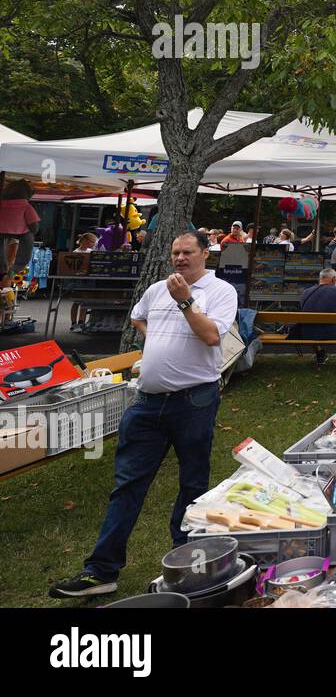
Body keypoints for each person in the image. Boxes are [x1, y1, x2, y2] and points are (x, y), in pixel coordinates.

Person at [50, 232, 238, 599]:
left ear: (205, 255)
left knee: (193, 483)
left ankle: (186, 560)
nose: (180, 258)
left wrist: (185, 302)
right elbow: (138, 318)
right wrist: (156, 341)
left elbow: (212, 337)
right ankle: (101, 571)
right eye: (175, 253)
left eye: (188, 252)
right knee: (127, 485)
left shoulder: (220, 291)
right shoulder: (155, 289)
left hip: (194, 401)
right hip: (148, 403)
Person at [295, 268, 336, 364]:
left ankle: (320, 353)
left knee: (312, 326)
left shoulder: (306, 292)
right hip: (332, 333)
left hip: (308, 333)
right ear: (334, 279)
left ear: (320, 279)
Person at [0, 180, 39, 277]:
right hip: (21, 232)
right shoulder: (26, 206)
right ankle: (16, 268)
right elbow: (34, 225)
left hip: (1, 230)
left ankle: (2, 267)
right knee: (28, 242)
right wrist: (33, 230)